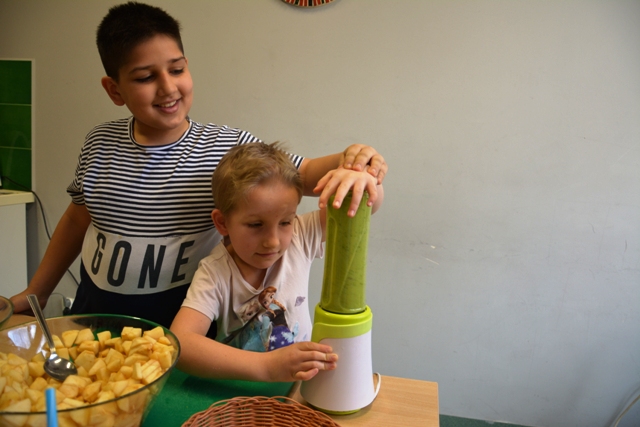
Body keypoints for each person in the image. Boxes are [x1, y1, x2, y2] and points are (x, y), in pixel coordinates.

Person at [9, 2, 387, 330]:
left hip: (180, 323)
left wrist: (351, 160)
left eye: (176, 70)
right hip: (93, 313)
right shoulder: (98, 142)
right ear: (115, 89)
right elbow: (78, 219)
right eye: (145, 77)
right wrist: (37, 291)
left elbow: (302, 176)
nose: (168, 88)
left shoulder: (227, 147)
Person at [170, 142, 384, 382]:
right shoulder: (214, 272)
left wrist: (360, 178)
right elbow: (181, 343)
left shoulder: (300, 236)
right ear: (222, 223)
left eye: (285, 222)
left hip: (301, 384)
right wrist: (267, 366)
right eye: (255, 225)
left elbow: (368, 205)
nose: (272, 242)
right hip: (240, 389)